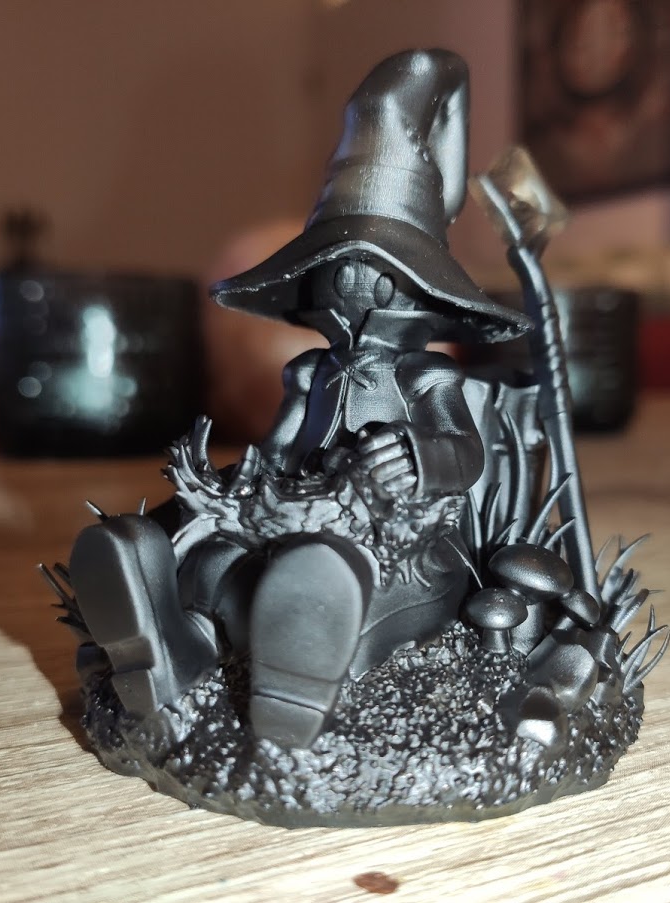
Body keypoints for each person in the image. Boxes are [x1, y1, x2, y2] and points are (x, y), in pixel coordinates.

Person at [70, 49, 531, 749]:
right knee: (217, 563)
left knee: (334, 580)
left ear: (428, 295)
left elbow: (464, 454)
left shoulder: (429, 379)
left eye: (379, 280)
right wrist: (236, 492)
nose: (355, 296)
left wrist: (418, 456)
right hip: (297, 518)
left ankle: (305, 673)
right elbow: (278, 448)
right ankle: (173, 642)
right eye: (335, 277)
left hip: (399, 544)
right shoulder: (311, 374)